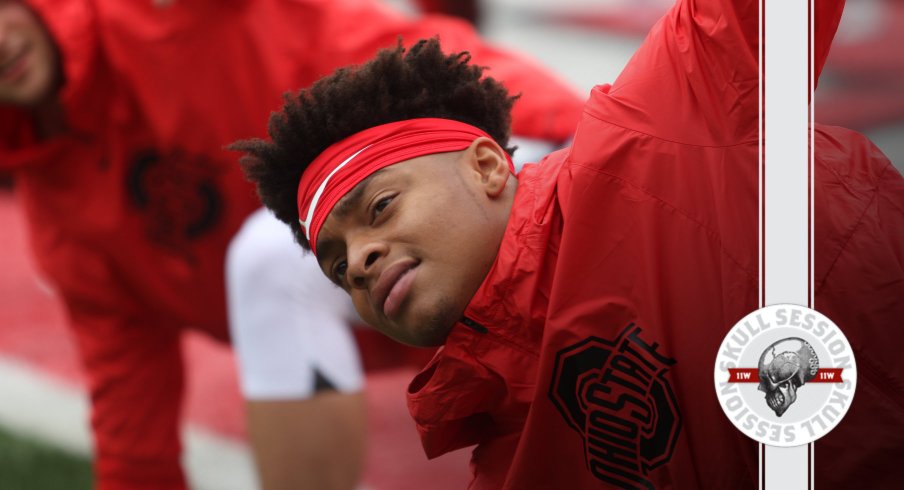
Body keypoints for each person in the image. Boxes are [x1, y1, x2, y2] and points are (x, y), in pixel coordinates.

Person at [234, 0, 904, 487]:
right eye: (340, 267)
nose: (361, 260)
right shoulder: (508, 461)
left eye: (379, 208)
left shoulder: (659, 130)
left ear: (488, 167)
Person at [0, 0, 584, 488]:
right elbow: (130, 409)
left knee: (270, 259)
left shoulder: (157, 16)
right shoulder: (61, 224)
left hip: (520, 145)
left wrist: (595, 142)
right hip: (404, 265)